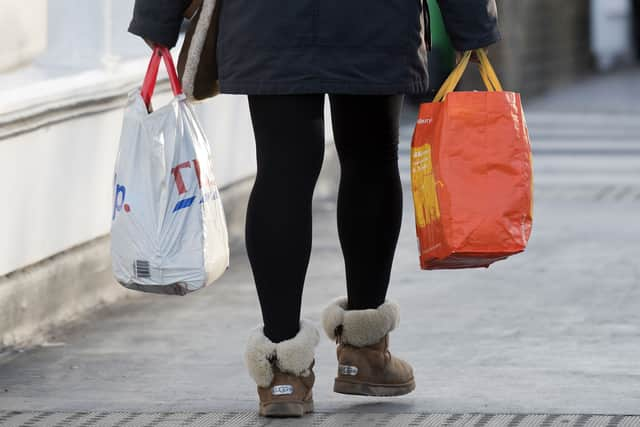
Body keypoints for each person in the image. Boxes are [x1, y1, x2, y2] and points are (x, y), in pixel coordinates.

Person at [128, 0, 500, 417]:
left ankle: (282, 373)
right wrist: (472, 21)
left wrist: (157, 16)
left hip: (267, 20)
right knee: (371, 160)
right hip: (374, 22)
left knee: (282, 168)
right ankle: (365, 353)